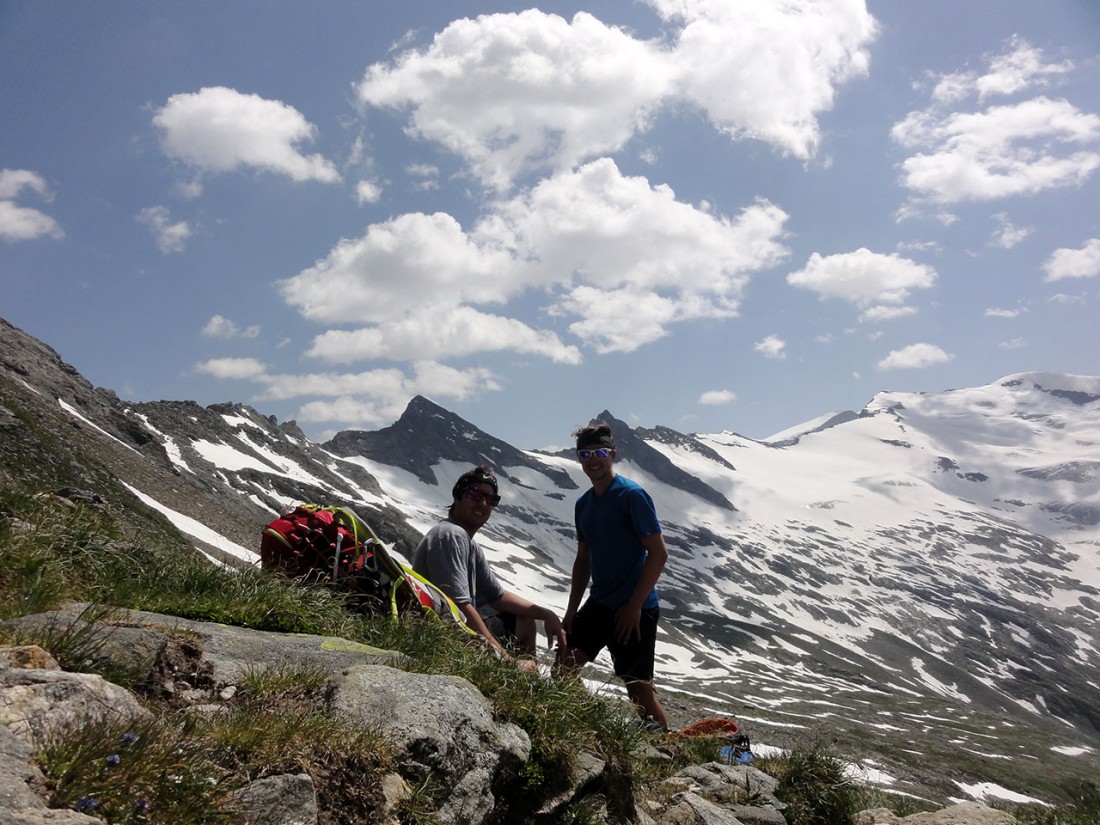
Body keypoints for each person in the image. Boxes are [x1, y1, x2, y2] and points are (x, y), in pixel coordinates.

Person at [558, 422, 670, 730]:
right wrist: (570, 612)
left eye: (600, 453)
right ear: (579, 459)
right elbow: (583, 561)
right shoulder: (584, 504)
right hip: (601, 603)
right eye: (585, 454)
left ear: (613, 454)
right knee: (563, 665)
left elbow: (658, 554)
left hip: (637, 608)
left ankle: (668, 751)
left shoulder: (631, 496)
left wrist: (633, 606)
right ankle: (586, 725)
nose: (593, 460)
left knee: (638, 690)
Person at [411, 464, 566, 667]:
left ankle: (524, 685)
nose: (483, 503)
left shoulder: (467, 541)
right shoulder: (451, 535)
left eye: (491, 499)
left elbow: (497, 596)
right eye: (475, 494)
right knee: (523, 626)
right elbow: (459, 605)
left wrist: (546, 613)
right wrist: (505, 660)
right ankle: (518, 679)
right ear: (457, 495)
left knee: (525, 620)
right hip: (441, 635)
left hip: (453, 628)